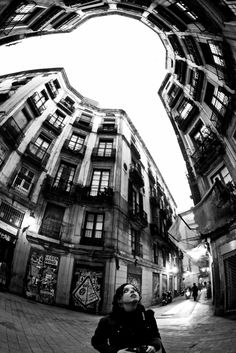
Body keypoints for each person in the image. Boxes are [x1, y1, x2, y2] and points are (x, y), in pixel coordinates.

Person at [91, 283, 165, 353]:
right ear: (119, 300)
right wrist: (115, 352)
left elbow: (156, 337)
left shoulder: (148, 316)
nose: (132, 291)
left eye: (135, 290)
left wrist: (154, 346)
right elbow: (97, 342)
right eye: (126, 291)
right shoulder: (107, 321)